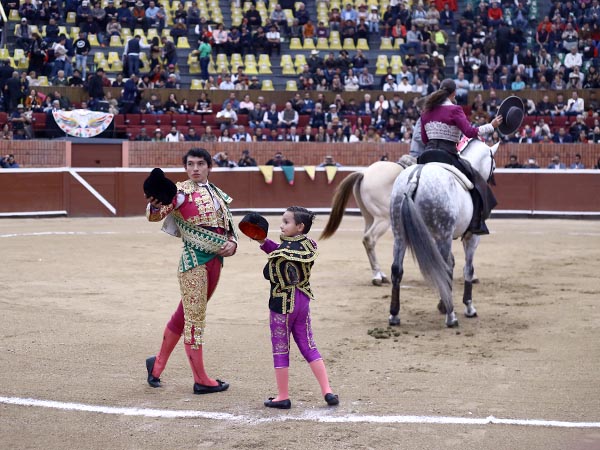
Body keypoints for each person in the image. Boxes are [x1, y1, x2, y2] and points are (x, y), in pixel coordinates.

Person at [145, 148, 238, 395]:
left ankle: (157, 366)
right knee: (195, 319)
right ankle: (201, 379)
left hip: (216, 262)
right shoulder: (179, 193)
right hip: (194, 262)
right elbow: (155, 215)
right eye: (190, 164)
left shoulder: (217, 193)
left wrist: (233, 243)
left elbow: (228, 226)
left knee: (183, 315)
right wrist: (154, 206)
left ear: (209, 166)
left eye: (200, 164)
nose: (195, 168)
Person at [251, 207, 338, 409]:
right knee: (309, 346)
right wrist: (263, 242)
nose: (282, 225)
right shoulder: (310, 244)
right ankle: (327, 391)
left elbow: (270, 271)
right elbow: (284, 251)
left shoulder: (281, 254)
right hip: (303, 301)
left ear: (300, 226)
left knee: (281, 348)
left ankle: (282, 396)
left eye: (286, 222)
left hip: (282, 304)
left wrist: (264, 244)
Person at [418, 78, 503, 235]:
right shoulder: (455, 109)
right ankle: (475, 223)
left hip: (426, 156)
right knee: (476, 183)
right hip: (448, 156)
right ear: (454, 93)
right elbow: (470, 132)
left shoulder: (426, 111)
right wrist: (491, 126)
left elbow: (424, 139)